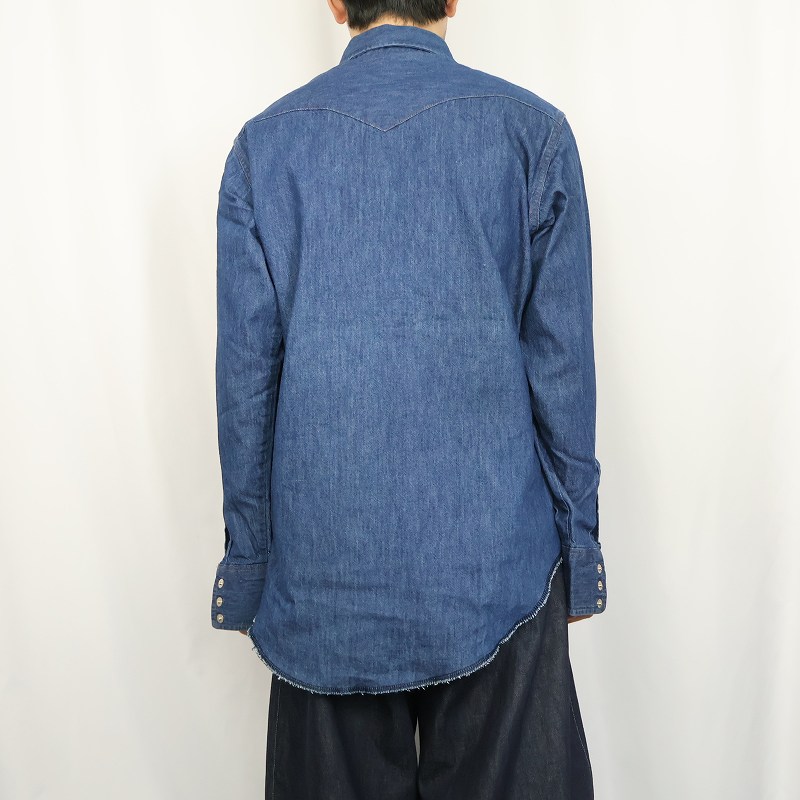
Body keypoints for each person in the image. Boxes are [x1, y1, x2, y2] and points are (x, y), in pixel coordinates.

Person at [210, 1, 607, 796]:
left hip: (325, 584)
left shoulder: (265, 148)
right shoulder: (531, 133)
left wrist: (251, 564)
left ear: (336, 2)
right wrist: (580, 549)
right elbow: (561, 367)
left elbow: (246, 388)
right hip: (498, 573)